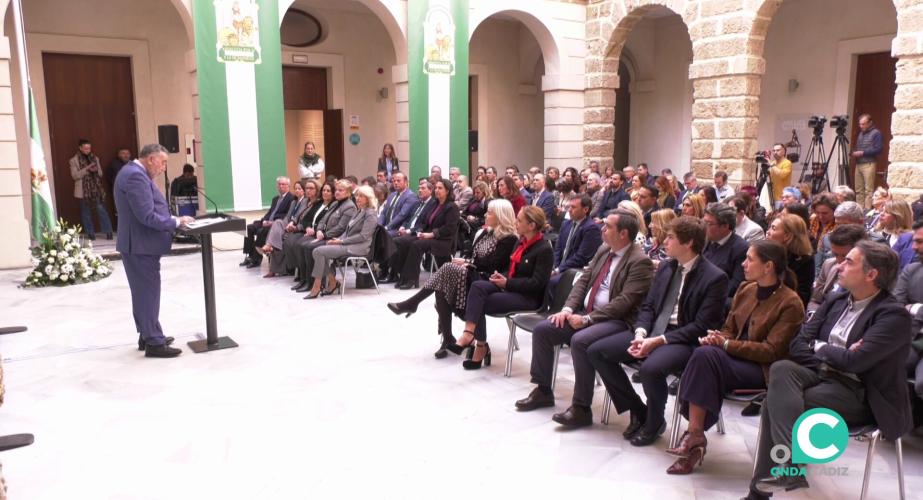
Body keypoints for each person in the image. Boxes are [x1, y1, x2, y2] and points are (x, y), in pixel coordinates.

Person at [746, 240, 911, 498]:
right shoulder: (836, 300)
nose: (839, 265)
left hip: (861, 394)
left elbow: (856, 364)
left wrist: (821, 348)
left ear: (871, 274)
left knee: (772, 403)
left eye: (849, 261)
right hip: (821, 375)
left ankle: (772, 482)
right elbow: (798, 343)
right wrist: (829, 353)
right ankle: (787, 468)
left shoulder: (893, 316)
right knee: (782, 368)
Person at [587, 217, 728, 446]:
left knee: (651, 368)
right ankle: (638, 409)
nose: (665, 242)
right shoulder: (666, 266)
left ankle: (654, 422)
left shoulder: (714, 278)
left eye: (671, 237)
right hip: (652, 331)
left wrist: (659, 341)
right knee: (597, 351)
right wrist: (641, 333)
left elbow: (701, 326)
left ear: (689, 243)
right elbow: (649, 306)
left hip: (683, 339)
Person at [666, 240, 804, 475]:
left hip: (762, 369)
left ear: (768, 266)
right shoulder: (746, 289)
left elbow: (772, 351)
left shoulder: (790, 302)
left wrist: (726, 344)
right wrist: (717, 337)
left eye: (750, 259)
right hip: (731, 360)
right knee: (704, 354)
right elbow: (729, 327)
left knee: (704, 357)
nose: (743, 263)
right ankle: (695, 435)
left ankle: (695, 438)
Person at [515, 209, 654, 424]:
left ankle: (581, 408)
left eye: (608, 226)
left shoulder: (639, 261)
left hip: (618, 321)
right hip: (587, 313)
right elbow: (583, 281)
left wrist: (588, 319)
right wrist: (568, 309)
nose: (602, 229)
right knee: (544, 330)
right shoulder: (604, 249)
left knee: (580, 341)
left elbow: (624, 302)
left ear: (624, 233)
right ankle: (543, 390)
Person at [387, 199, 519, 358]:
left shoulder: (509, 238)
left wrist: (469, 263)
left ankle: (414, 305)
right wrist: (467, 261)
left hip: (489, 279)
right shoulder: (484, 232)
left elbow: (494, 265)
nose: (485, 214)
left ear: (500, 216)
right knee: (443, 285)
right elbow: (470, 253)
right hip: (473, 274)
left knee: (448, 270)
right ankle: (447, 337)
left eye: (489, 212)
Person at [114, 144, 194, 358]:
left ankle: (148, 334)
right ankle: (154, 342)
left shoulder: (132, 172)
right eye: (163, 161)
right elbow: (147, 216)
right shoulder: (135, 176)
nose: (164, 167)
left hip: (139, 244)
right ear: (150, 159)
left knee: (143, 292)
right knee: (147, 292)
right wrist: (176, 221)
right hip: (140, 245)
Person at [450, 206, 554, 369]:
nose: (515, 223)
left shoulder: (544, 249)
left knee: (478, 302)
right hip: (512, 287)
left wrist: (507, 283)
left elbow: (536, 283)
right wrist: (502, 276)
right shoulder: (521, 242)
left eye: (519, 220)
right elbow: (512, 267)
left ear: (532, 225)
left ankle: (480, 345)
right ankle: (470, 334)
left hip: (529, 298)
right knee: (477, 287)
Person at [304, 185, 379, 299]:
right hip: (348, 244)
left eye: (361, 196)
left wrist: (342, 241)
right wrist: (338, 240)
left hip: (358, 247)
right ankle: (332, 281)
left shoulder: (370, 213)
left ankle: (317, 286)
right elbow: (347, 230)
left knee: (318, 252)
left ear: (368, 198)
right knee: (317, 252)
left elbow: (363, 236)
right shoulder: (359, 211)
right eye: (357, 195)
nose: (357, 198)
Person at [390, 179, 459, 289]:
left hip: (443, 240)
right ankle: (402, 276)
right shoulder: (435, 204)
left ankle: (411, 279)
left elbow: (449, 229)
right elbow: (424, 222)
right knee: (401, 241)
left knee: (416, 245)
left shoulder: (452, 207)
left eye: (440, 188)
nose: (436, 190)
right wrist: (420, 232)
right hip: (428, 236)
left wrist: (431, 234)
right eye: (436, 188)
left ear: (447, 191)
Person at [293, 180, 357, 294]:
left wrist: (325, 235)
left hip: (336, 239)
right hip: (324, 236)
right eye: (336, 190)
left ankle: (315, 282)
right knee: (302, 245)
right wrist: (319, 230)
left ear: (348, 193)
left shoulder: (350, 207)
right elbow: (323, 219)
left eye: (340, 190)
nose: (336, 192)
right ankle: (305, 280)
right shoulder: (335, 203)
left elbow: (341, 228)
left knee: (309, 247)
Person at [284, 181, 334, 288]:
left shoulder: (332, 206)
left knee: (304, 245)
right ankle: (304, 279)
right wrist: (307, 227)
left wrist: (315, 230)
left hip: (321, 234)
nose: (325, 193)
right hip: (312, 232)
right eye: (324, 190)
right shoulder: (318, 204)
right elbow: (307, 219)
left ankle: (310, 281)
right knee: (297, 243)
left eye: (328, 191)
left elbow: (327, 223)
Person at [809, 224, 866, 313]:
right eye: (835, 254)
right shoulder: (829, 264)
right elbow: (816, 297)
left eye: (846, 257)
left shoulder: (865, 277)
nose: (839, 261)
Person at [550, 195, 602, 293]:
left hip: (576, 270)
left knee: (551, 282)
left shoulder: (591, 229)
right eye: (569, 207)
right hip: (561, 267)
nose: (569, 210)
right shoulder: (566, 224)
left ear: (585, 209)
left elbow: (581, 258)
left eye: (573, 207)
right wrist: (555, 266)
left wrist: (558, 270)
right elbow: (558, 249)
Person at [240, 177, 294, 269]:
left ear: (288, 186)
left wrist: (271, 222)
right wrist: (265, 220)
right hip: (267, 221)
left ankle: (256, 259)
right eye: (279, 184)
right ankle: (249, 255)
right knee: (249, 227)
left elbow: (287, 215)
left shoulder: (291, 198)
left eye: (283, 184)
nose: (281, 186)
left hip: (276, 224)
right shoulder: (275, 199)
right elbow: (270, 212)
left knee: (262, 231)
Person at [260, 180, 309, 278]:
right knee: (278, 224)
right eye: (295, 189)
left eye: (299, 189)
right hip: (288, 224)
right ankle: (270, 248)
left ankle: (270, 249)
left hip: (297, 226)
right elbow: (287, 216)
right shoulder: (294, 202)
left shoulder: (305, 201)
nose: (297, 191)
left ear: (303, 190)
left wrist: (292, 224)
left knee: (278, 238)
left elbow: (299, 216)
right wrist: (286, 224)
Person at [702, 202, 749, 301]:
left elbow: (735, 285)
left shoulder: (741, 249)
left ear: (725, 226)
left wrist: (706, 295)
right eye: (704, 221)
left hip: (716, 300)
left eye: (709, 223)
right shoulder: (704, 240)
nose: (704, 226)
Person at [766, 214, 815, 307]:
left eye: (773, 228)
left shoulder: (804, 261)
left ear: (787, 236)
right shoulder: (766, 253)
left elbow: (801, 297)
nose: (768, 232)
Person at [898, 221, 923, 398]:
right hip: (911, 339)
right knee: (881, 368)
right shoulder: (911, 270)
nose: (914, 247)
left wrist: (914, 307)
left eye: (920, 242)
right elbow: (896, 306)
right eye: (914, 241)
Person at [69, 139, 113, 240]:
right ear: (80, 148)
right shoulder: (73, 160)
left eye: (89, 148)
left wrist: (96, 170)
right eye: (85, 148)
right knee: (86, 212)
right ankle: (90, 233)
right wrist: (87, 169)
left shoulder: (95, 158)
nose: (88, 150)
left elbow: (101, 173)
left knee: (101, 210)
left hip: (96, 189)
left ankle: (108, 232)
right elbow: (75, 176)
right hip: (83, 191)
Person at [852, 114, 883, 210]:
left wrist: (863, 153)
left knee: (868, 190)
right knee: (858, 190)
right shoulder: (860, 133)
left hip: (869, 163)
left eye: (864, 124)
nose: (861, 126)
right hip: (859, 164)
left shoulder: (876, 133)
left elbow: (879, 149)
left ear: (870, 123)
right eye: (860, 124)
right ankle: (859, 210)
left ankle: (867, 210)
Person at [873, 199, 916, 269]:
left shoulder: (907, 238)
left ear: (898, 216)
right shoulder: (874, 232)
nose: (881, 214)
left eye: (886, 212)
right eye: (882, 210)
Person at [809, 192, 839, 274]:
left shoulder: (839, 225)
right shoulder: (812, 220)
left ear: (834, 211)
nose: (820, 216)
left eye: (825, 213)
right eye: (817, 212)